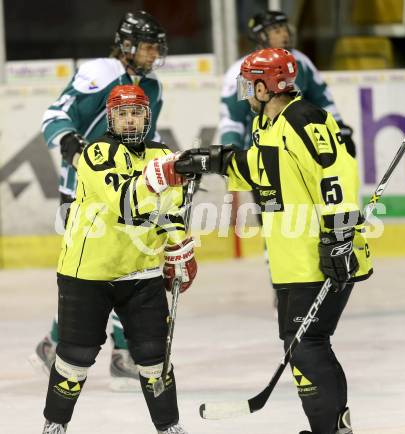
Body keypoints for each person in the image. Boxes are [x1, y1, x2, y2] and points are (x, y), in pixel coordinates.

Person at [174, 48, 373, 434]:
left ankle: (331, 430)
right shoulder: (267, 123)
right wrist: (216, 161)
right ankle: (331, 428)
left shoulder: (304, 118)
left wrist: (340, 235)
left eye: (250, 84)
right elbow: (263, 172)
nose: (245, 91)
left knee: (307, 344)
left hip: (317, 255)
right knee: (300, 344)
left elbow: (336, 174)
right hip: (289, 258)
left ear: (268, 86)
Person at [41, 84, 195, 434]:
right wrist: (162, 175)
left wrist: (178, 246)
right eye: (122, 113)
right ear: (111, 117)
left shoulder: (161, 153)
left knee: (156, 356)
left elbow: (170, 208)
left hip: (141, 272)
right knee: (75, 357)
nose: (129, 120)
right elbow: (126, 202)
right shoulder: (97, 153)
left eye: (136, 112)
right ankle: (55, 424)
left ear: (147, 116)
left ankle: (169, 426)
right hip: (87, 272)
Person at [32, 10, 168, 391]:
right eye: (148, 45)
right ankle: (64, 344)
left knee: (129, 263)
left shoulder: (153, 88)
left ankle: (112, 351)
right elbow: (55, 114)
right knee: (91, 272)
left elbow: (142, 140)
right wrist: (69, 144)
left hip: (122, 188)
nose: (154, 53)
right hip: (80, 188)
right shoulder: (102, 72)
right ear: (127, 45)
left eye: (158, 46)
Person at [220, 10, 356, 157]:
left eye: (285, 29)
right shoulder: (246, 70)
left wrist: (338, 128)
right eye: (277, 31)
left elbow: (321, 99)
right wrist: (231, 150)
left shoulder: (300, 62)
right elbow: (234, 118)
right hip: (258, 153)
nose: (284, 35)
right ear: (260, 36)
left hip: (300, 149)